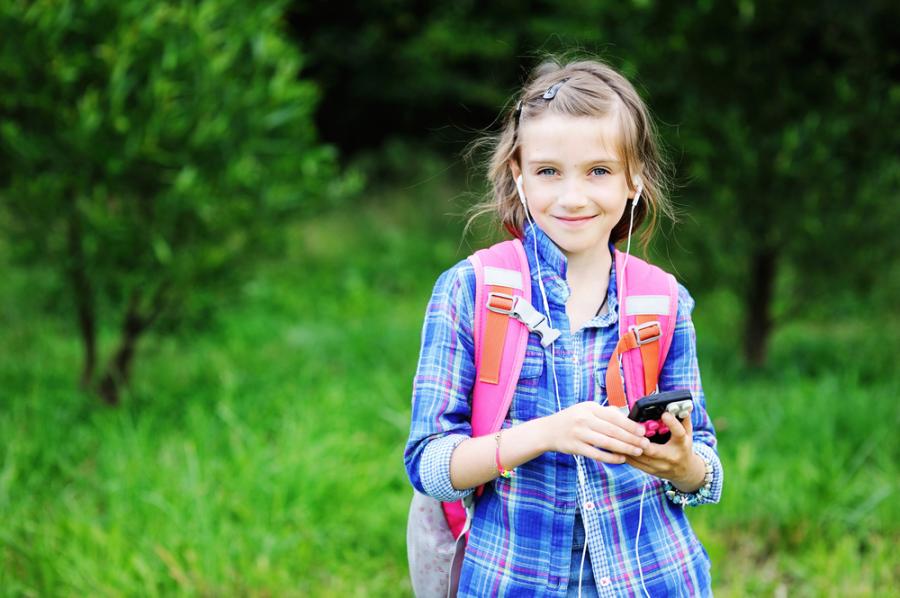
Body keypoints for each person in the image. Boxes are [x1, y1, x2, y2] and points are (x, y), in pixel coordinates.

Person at [404, 57, 723, 597]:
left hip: (655, 578)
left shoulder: (663, 301)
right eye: (549, 171)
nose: (572, 196)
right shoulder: (471, 291)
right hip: (512, 580)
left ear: (634, 179)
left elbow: (707, 473)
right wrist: (545, 435)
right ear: (518, 176)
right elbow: (429, 465)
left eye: (598, 171)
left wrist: (683, 464)